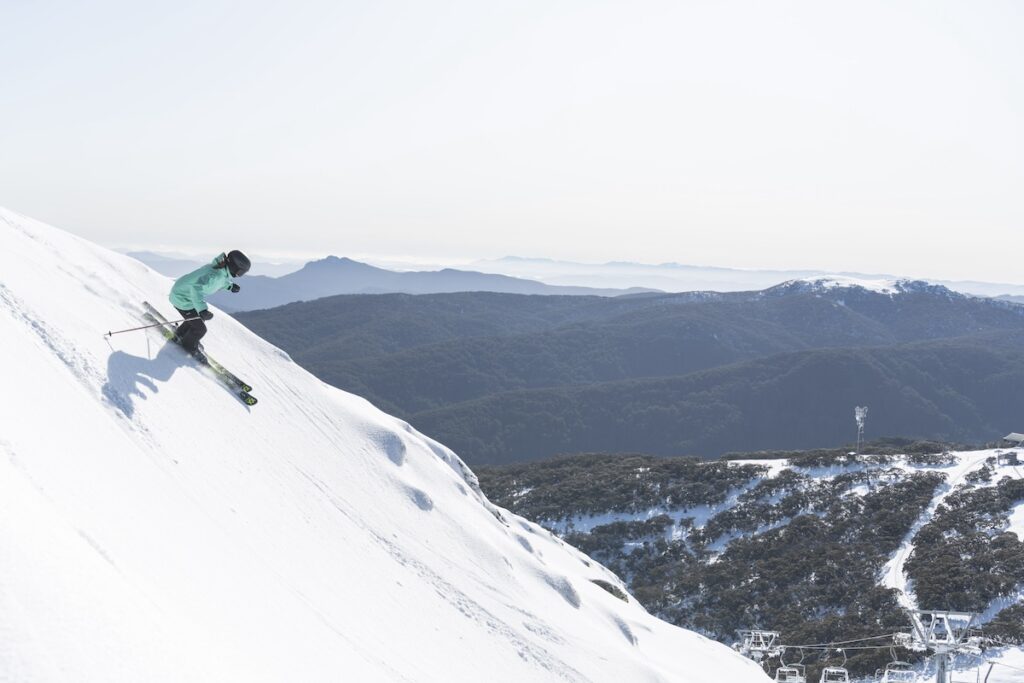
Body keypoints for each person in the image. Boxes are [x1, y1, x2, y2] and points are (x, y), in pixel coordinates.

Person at [168, 250, 250, 358]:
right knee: (200, 329)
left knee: (197, 319)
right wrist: (202, 309)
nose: (239, 275)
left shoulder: (219, 270)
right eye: (240, 272)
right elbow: (196, 288)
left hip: (183, 294)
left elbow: (220, 281)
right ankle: (188, 346)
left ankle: (180, 334)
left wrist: (230, 286)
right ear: (234, 267)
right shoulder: (215, 275)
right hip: (182, 298)